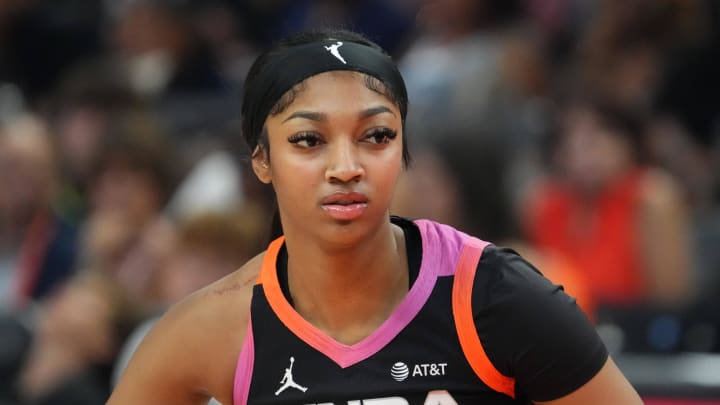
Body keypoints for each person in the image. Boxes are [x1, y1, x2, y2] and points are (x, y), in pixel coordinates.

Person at [109, 28, 642, 404]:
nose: (346, 167)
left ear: (403, 151)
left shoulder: (495, 296)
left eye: (377, 136)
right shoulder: (217, 325)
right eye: (309, 140)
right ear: (262, 161)